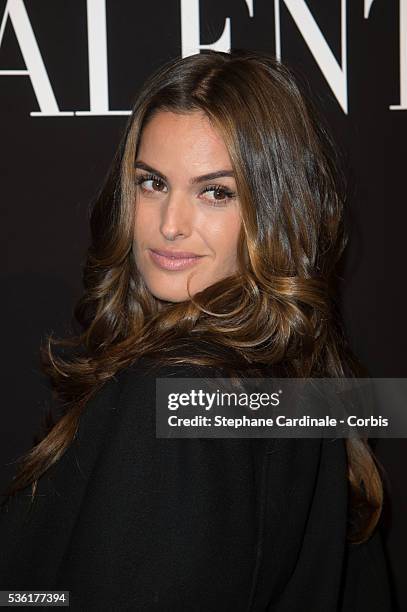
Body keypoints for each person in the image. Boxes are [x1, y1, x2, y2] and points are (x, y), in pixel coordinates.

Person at [0, 49, 393, 611]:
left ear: (274, 209)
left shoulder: (176, 387)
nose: (169, 225)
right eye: (152, 183)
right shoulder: (301, 377)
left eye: (216, 192)